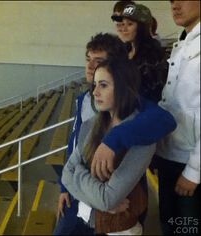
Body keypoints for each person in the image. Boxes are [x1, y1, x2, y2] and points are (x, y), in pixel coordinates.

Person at [54, 33, 176, 235]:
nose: (90, 66)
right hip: (83, 204)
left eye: (98, 61)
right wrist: (67, 187)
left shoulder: (140, 120)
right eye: (88, 59)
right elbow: (70, 159)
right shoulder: (88, 107)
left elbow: (165, 120)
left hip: (116, 219)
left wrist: (81, 182)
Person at [62, 55, 156, 235]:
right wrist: (97, 201)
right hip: (87, 220)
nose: (95, 92)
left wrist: (78, 173)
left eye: (103, 85)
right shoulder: (92, 124)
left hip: (119, 230)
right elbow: (66, 175)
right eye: (95, 85)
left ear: (123, 88)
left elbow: (108, 199)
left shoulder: (143, 135)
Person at [90, 2, 170, 192]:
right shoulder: (124, 52)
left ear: (141, 27)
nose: (122, 27)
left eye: (129, 24)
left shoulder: (154, 56)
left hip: (139, 123)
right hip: (123, 119)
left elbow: (150, 100)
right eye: (120, 23)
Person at [155, 1, 200, 235]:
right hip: (170, 157)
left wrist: (194, 172)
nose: (175, 5)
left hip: (190, 165)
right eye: (172, 0)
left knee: (188, 229)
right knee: (169, 225)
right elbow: (171, 103)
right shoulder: (184, 43)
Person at [111, 3, 167, 103]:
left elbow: (152, 94)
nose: (124, 29)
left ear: (142, 27)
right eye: (123, 24)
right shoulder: (125, 50)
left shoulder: (153, 54)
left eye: (130, 24)